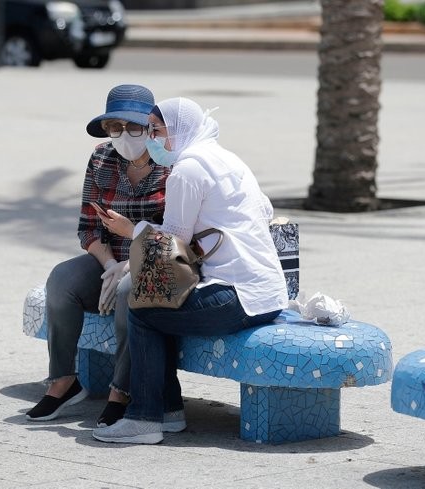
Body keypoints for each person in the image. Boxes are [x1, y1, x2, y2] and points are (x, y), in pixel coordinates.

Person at [91, 97, 289, 444]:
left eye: (157, 130)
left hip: (237, 297)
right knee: (161, 306)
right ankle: (168, 413)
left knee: (143, 309)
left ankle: (145, 419)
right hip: (270, 294)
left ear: (180, 130)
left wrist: (129, 230)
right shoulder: (227, 158)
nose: (153, 139)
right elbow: (265, 208)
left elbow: (172, 242)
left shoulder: (187, 169)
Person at [25, 85, 170, 428]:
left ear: (151, 128)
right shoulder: (102, 158)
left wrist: (131, 259)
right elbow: (88, 228)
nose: (124, 135)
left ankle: (121, 392)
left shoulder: (172, 165)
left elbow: (178, 237)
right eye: (115, 127)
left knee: (126, 291)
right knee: (61, 279)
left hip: (157, 263)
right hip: (110, 259)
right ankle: (63, 381)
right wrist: (108, 264)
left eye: (133, 127)